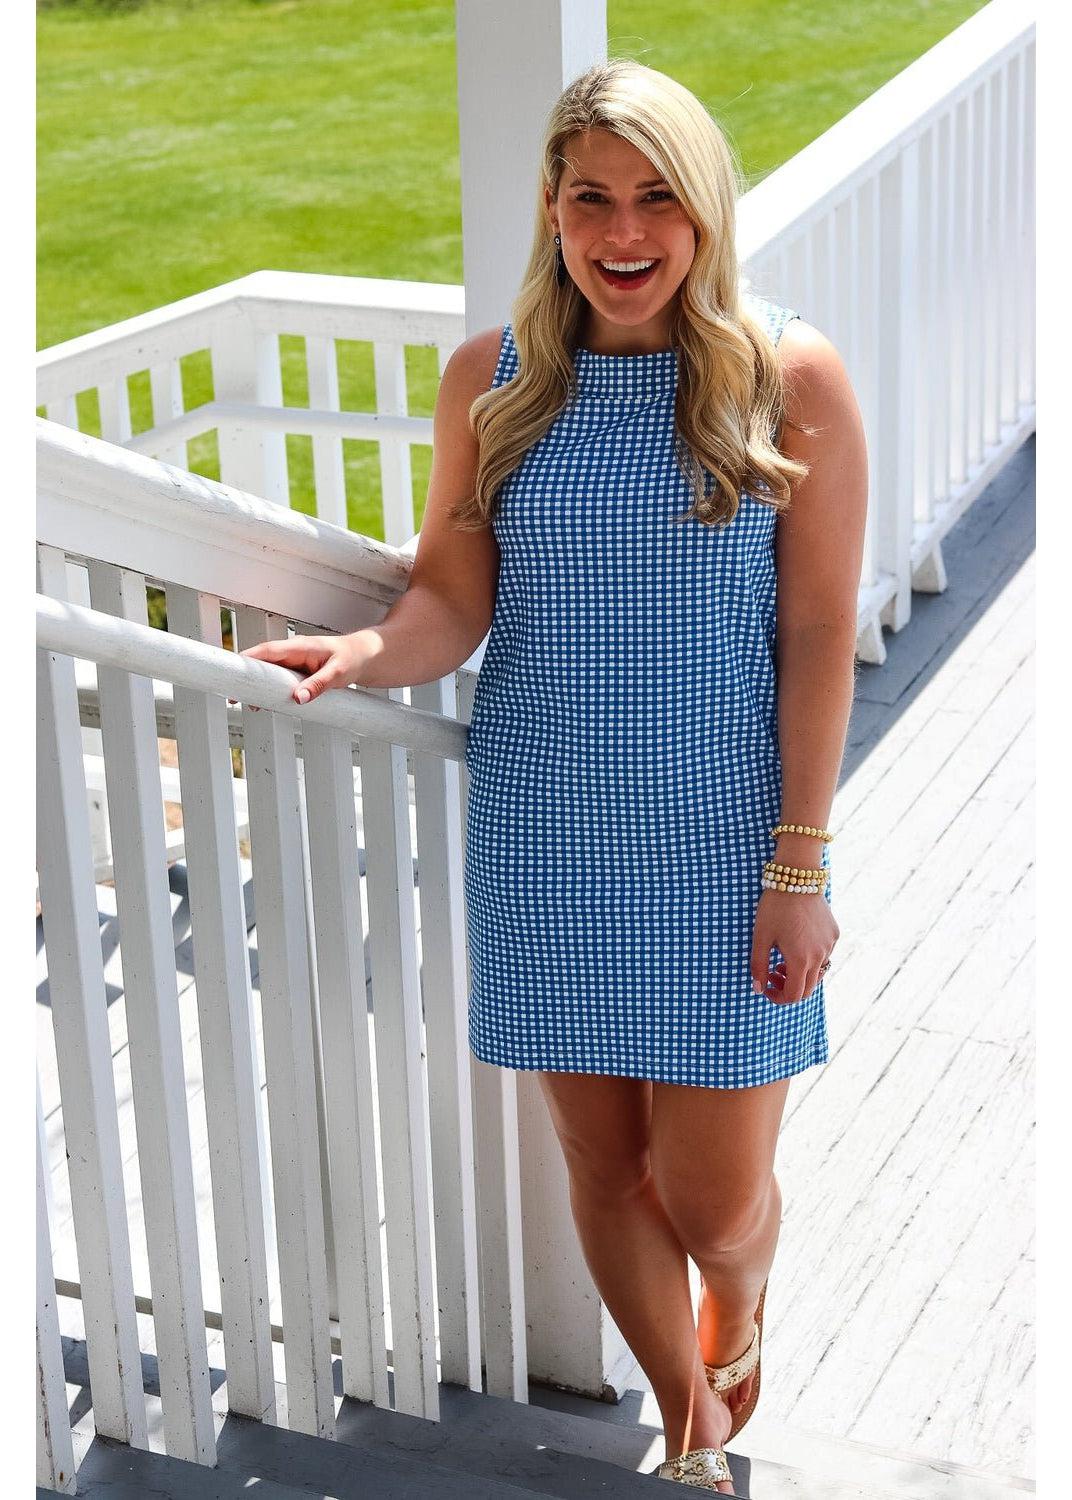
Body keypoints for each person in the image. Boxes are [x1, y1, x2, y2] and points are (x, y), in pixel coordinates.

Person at [238, 58, 867, 1495]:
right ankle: (692, 1432)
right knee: (602, 1165)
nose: (623, 233)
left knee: (712, 1201)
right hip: (545, 829)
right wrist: (365, 649)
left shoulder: (790, 377)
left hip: (727, 841)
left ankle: (740, 1295)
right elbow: (452, 597)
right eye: (592, 198)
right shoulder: (495, 380)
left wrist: (802, 861)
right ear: (551, 207)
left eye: (657, 200)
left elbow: (819, 633)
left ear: (705, 211)